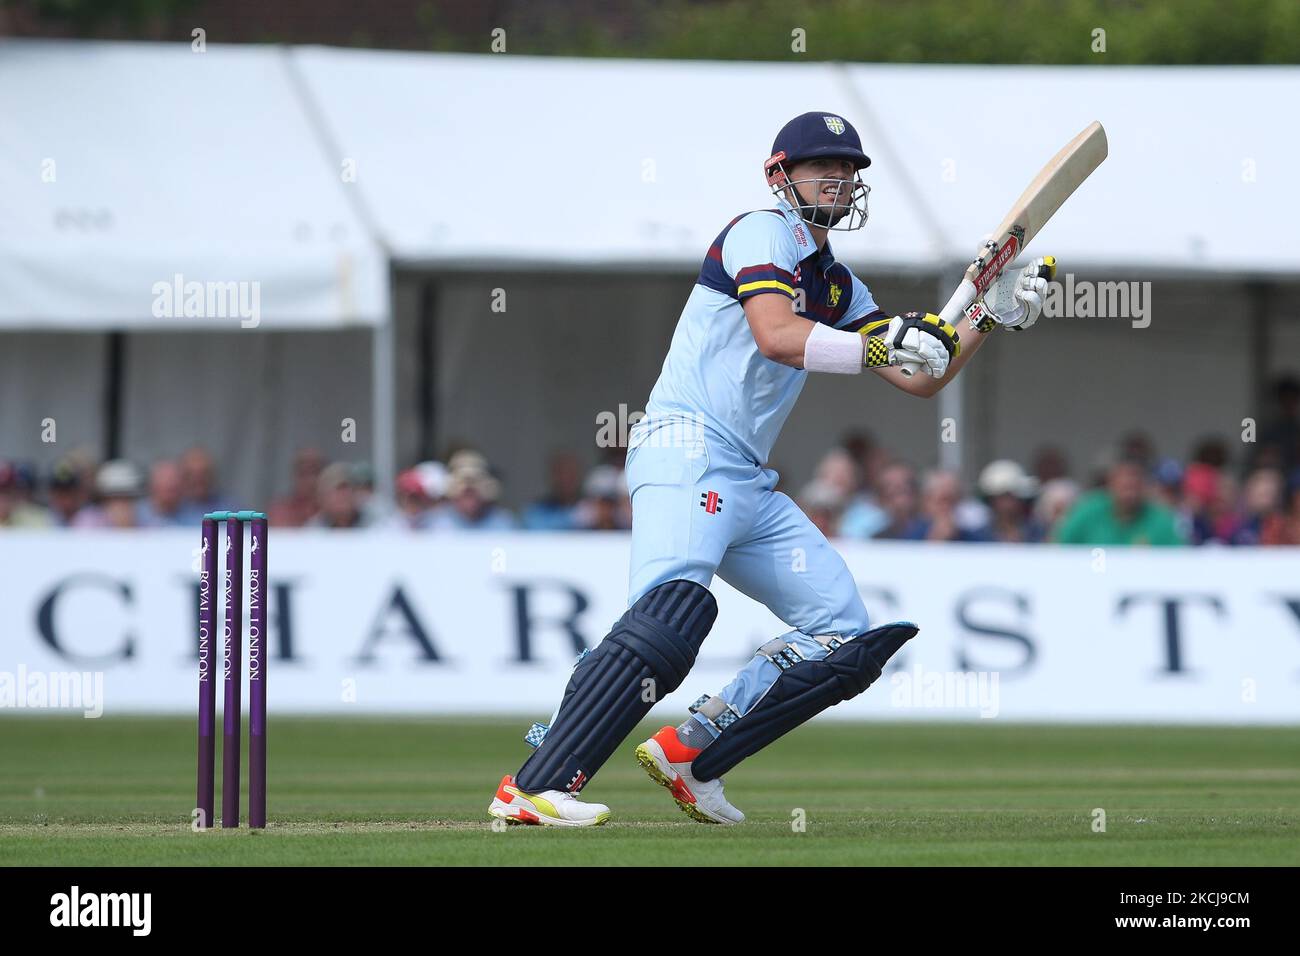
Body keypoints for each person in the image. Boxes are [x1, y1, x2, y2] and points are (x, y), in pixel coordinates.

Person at [488, 111, 1056, 827]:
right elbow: (777, 334)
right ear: (778, 175)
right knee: (672, 616)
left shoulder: (840, 284)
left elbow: (922, 376)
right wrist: (894, 343)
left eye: (849, 169)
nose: (840, 178)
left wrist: (985, 318)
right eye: (823, 165)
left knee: (842, 633)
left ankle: (693, 752)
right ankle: (537, 785)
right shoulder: (760, 231)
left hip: (748, 477)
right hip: (687, 447)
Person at [1054, 453, 1184, 546]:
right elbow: (1058, 544)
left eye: (1134, 486)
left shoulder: (1160, 518)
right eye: (1125, 486)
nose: (1129, 494)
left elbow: (1179, 558)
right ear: (1110, 483)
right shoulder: (1088, 511)